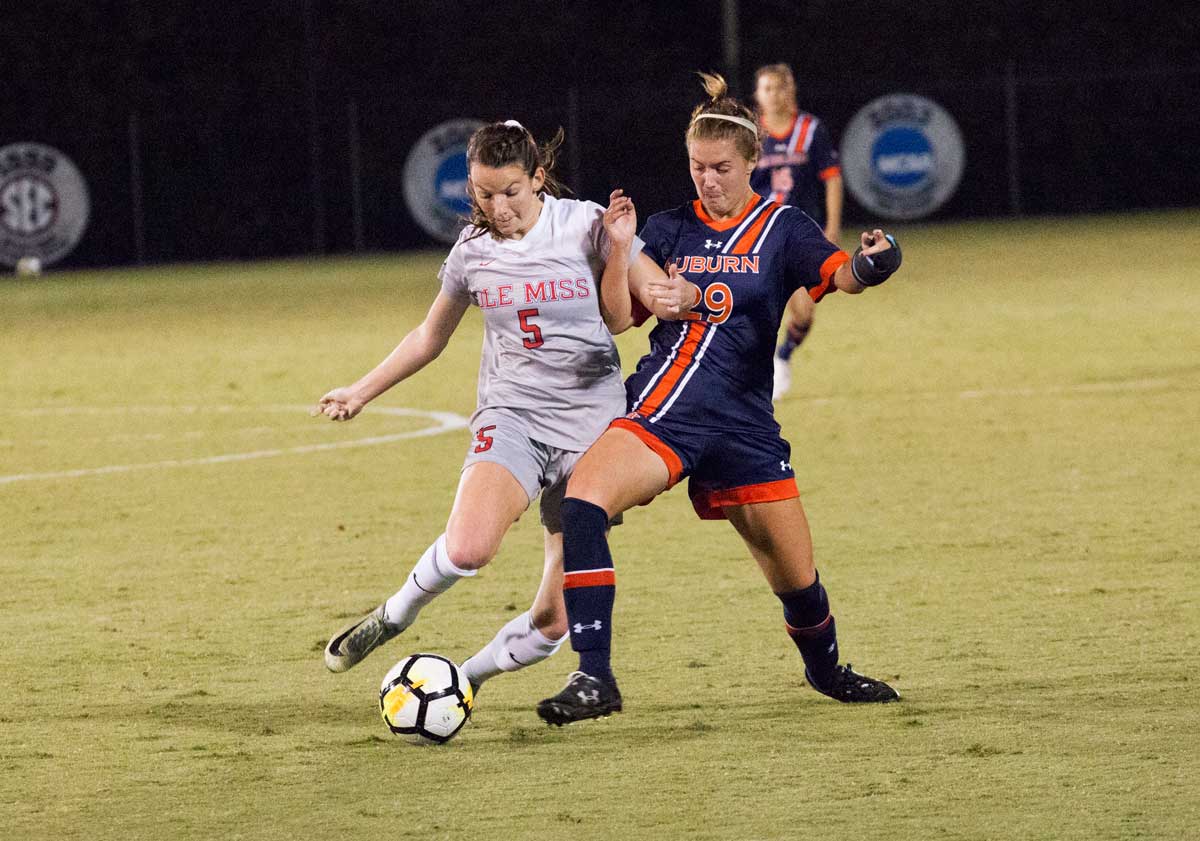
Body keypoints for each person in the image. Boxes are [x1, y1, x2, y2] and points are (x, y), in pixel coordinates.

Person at [536, 74, 902, 726]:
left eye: (721, 168)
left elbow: (840, 275)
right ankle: (595, 676)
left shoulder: (784, 227)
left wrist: (872, 264)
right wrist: (621, 256)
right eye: (697, 167)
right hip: (662, 409)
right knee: (582, 501)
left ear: (753, 162)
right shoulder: (670, 229)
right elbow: (621, 318)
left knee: (796, 579)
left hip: (744, 427)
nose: (707, 179)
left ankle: (830, 674)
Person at [316, 120, 681, 697]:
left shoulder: (585, 223)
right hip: (513, 415)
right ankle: (394, 615)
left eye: (510, 191)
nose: (498, 206)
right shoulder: (472, 252)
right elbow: (428, 336)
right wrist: (361, 390)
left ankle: (464, 679)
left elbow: (632, 311)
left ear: (538, 178)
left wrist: (671, 284)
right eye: (484, 194)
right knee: (468, 548)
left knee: (555, 620)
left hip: (595, 433)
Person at [751, 63, 845, 400]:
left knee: (803, 314)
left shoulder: (810, 129)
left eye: (780, 87)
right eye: (767, 88)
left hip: (801, 234)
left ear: (791, 91)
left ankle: (783, 356)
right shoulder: (749, 134)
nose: (774, 95)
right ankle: (749, 375)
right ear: (757, 95)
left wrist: (832, 226)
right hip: (757, 235)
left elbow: (831, 177)